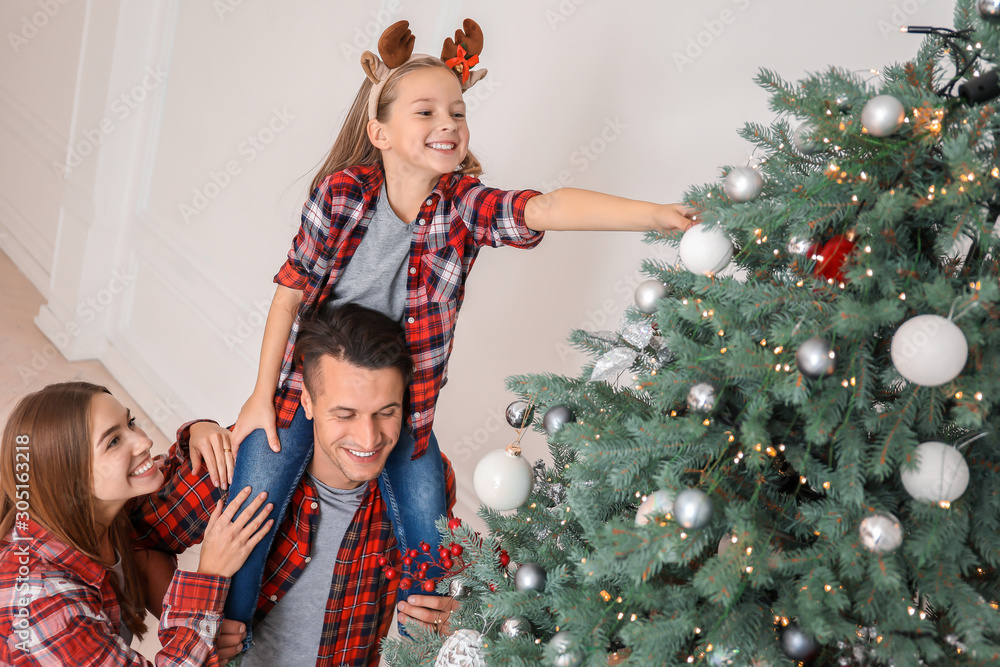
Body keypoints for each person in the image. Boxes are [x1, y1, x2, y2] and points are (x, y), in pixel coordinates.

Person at [220, 17, 698, 636]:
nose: (447, 124)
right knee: (250, 511)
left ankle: (421, 647)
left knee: (430, 535)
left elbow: (545, 206)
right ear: (380, 132)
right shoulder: (341, 195)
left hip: (403, 409)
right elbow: (288, 294)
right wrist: (261, 397)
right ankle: (223, 639)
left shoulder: (462, 207)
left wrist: (655, 215)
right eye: (426, 112)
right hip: (304, 389)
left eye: (458, 111)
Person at [130, 303, 459, 667]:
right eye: (345, 414)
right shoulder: (235, 467)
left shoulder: (428, 483)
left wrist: (453, 611)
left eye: (386, 412)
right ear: (307, 400)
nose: (369, 439)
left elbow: (453, 583)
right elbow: (137, 541)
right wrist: (200, 626)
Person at [0, 382, 273, 666]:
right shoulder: (41, 605)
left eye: (130, 423)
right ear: (70, 477)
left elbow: (178, 486)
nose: (144, 442)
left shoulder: (105, 510)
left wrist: (199, 432)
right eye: (113, 441)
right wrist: (210, 574)